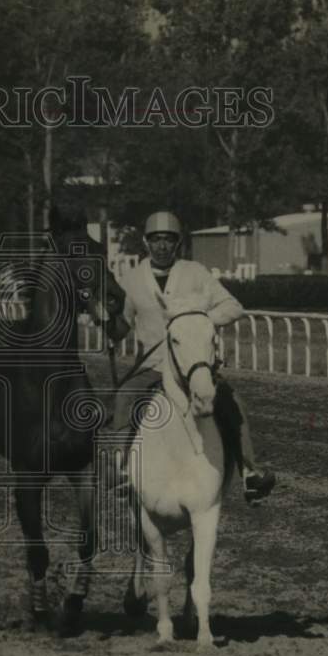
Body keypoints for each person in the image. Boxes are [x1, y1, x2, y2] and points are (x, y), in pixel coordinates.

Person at [107, 211, 276, 505]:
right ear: (146, 243)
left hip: (194, 366)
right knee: (123, 397)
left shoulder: (196, 273)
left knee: (232, 401)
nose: (162, 246)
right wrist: (106, 318)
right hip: (151, 366)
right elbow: (120, 329)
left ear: (178, 243)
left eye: (168, 240)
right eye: (156, 240)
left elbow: (233, 306)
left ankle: (250, 472)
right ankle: (121, 471)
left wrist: (199, 319)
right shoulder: (131, 280)